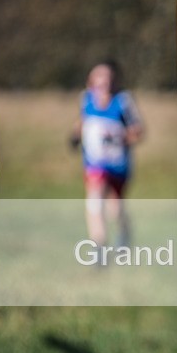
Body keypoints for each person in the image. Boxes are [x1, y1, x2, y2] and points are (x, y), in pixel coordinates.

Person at [71, 60, 143, 252]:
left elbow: (138, 131)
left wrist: (118, 136)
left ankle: (125, 231)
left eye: (108, 78)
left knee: (115, 210)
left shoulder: (124, 101)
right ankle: (98, 247)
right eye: (99, 78)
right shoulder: (86, 99)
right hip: (95, 163)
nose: (104, 83)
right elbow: (82, 121)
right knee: (95, 199)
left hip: (118, 164)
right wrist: (75, 136)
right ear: (91, 81)